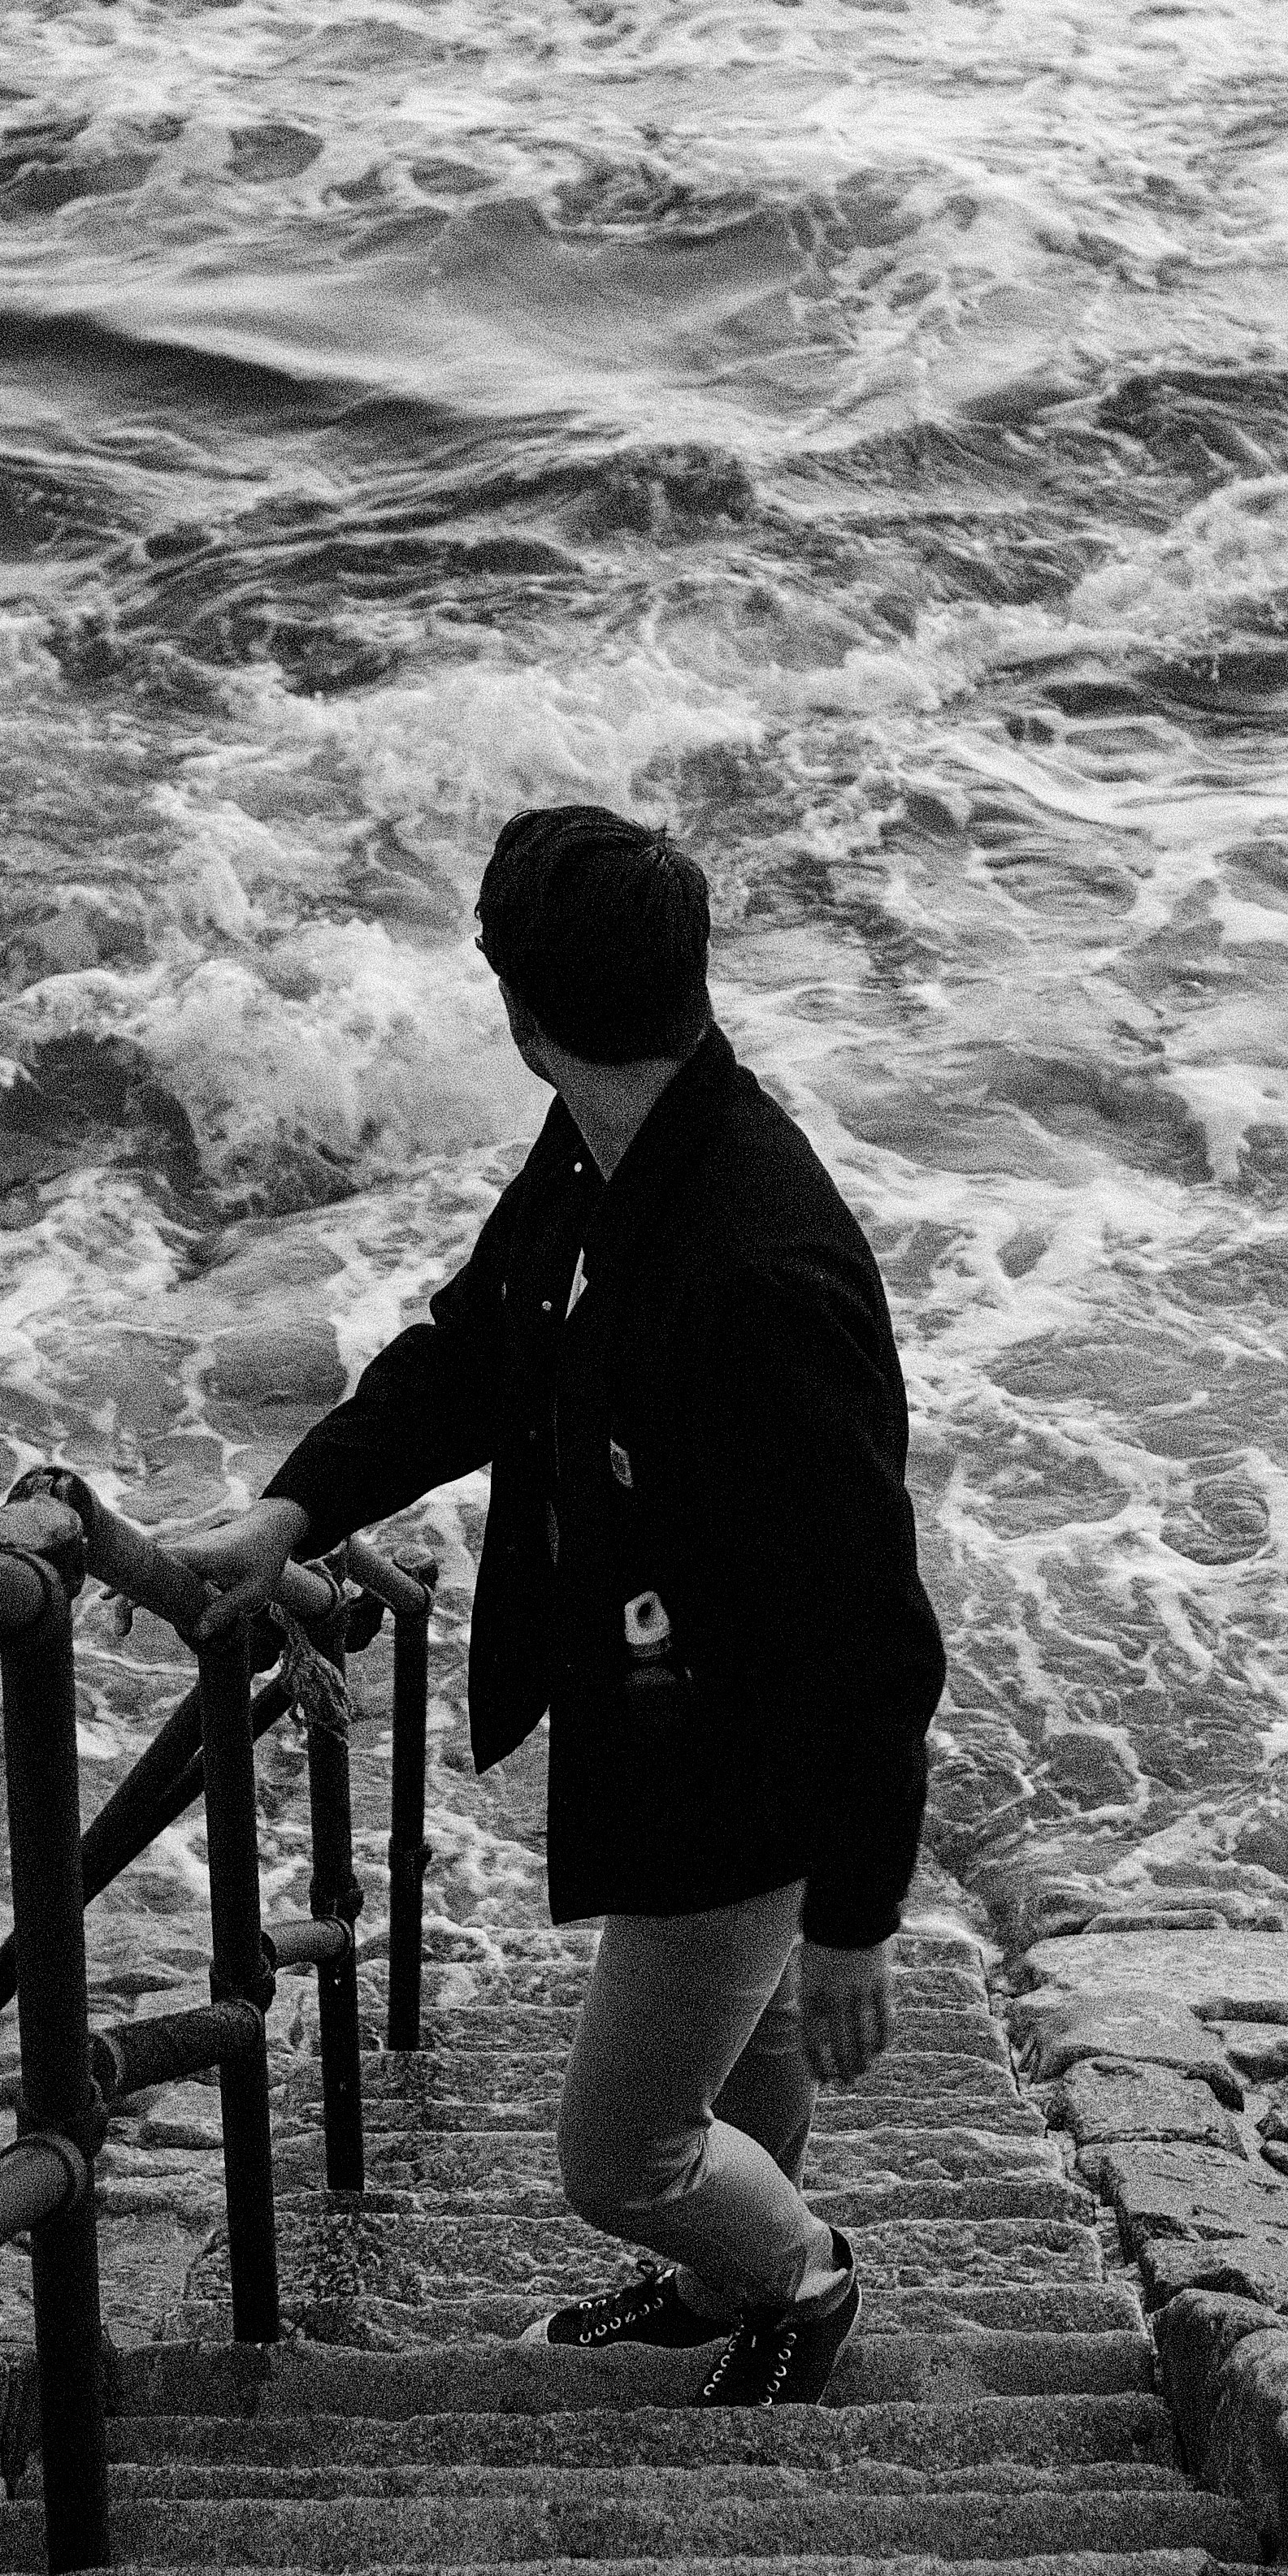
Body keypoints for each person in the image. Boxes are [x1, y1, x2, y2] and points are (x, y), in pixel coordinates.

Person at [168, 803, 943, 2407]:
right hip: (663, 1705)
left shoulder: (757, 1262)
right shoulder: (618, 1143)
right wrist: (292, 1509)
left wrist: (859, 1911)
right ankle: (718, 2279)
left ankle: (798, 2283)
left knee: (624, 2147)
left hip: (738, 1761)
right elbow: (477, 1349)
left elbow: (873, 1618)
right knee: (742, 2063)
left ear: (528, 1015)